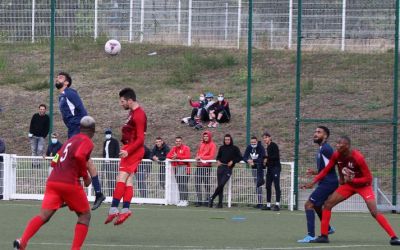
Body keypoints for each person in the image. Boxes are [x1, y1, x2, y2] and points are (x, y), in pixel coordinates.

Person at [13, 116, 97, 250]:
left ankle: (23, 241)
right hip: (69, 183)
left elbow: (57, 157)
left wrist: (56, 163)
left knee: (44, 216)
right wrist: (85, 177)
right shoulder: (86, 141)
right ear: (93, 130)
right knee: (85, 216)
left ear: (80, 128)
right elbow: (80, 156)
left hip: (53, 181)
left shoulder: (70, 140)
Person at [303, 136, 400, 245]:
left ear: (347, 146)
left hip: (364, 186)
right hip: (349, 185)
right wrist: (313, 182)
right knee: (328, 204)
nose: (337, 145)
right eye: (337, 143)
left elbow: (368, 178)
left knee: (374, 211)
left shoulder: (358, 157)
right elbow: (326, 170)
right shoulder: (336, 155)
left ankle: (394, 237)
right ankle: (324, 236)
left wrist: (353, 180)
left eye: (341, 144)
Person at [55, 72, 105, 210]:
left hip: (78, 130)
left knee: (74, 161)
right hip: (73, 130)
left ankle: (91, 193)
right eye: (57, 77)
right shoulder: (62, 96)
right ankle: (98, 193)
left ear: (66, 82)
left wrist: (83, 131)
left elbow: (83, 111)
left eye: (60, 77)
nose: (57, 79)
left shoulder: (70, 93)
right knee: (84, 162)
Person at [105, 87, 147, 226]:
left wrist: (129, 150)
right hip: (130, 149)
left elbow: (140, 139)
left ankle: (113, 208)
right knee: (128, 181)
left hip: (132, 150)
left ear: (130, 100)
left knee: (121, 178)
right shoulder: (133, 112)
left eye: (122, 101)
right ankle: (125, 210)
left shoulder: (139, 115)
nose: (121, 104)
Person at [297, 126, 338, 243]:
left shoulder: (326, 149)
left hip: (328, 183)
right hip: (326, 181)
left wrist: (345, 174)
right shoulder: (321, 149)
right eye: (315, 132)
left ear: (325, 136)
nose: (315, 134)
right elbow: (327, 168)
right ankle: (328, 228)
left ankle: (311, 235)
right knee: (316, 205)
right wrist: (314, 172)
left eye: (319, 132)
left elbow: (337, 162)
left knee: (308, 205)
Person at [208, 134, 242, 208]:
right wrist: (218, 161)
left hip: (228, 169)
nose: (227, 141)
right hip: (220, 168)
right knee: (220, 186)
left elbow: (240, 157)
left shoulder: (235, 148)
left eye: (228, 139)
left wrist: (233, 161)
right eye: (226, 139)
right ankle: (220, 204)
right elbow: (218, 157)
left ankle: (212, 198)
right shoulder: (221, 148)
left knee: (221, 184)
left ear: (231, 140)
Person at [167, 136, 191, 207]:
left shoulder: (186, 148)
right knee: (180, 185)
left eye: (179, 141)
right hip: (177, 169)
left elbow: (187, 157)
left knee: (184, 184)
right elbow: (168, 155)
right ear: (175, 142)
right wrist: (173, 157)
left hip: (185, 168)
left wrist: (178, 156)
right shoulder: (174, 148)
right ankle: (181, 200)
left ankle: (185, 200)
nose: (178, 142)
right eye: (177, 141)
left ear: (181, 141)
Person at [243, 136, 266, 209]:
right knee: (257, 185)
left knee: (260, 184)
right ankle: (259, 202)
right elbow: (244, 157)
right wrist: (248, 161)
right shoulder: (249, 147)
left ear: (257, 141)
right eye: (252, 142)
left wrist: (253, 161)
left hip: (261, 168)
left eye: (254, 142)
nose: (253, 143)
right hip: (254, 169)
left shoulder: (261, 147)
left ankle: (264, 203)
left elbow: (262, 157)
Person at [194, 131, 217, 207]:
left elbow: (211, 156)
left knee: (206, 184)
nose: (205, 138)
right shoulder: (201, 144)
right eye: (204, 136)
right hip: (199, 166)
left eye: (207, 136)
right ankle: (199, 200)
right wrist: (197, 157)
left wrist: (201, 157)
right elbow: (198, 153)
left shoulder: (212, 145)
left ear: (209, 136)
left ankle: (207, 200)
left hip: (207, 167)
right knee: (197, 183)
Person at [262, 132, 282, 211]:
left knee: (276, 185)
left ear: (270, 137)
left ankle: (277, 205)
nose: (265, 139)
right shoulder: (267, 147)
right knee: (267, 186)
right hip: (270, 169)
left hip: (276, 168)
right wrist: (265, 162)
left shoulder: (274, 145)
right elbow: (268, 159)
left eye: (266, 137)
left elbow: (276, 157)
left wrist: (267, 158)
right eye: (264, 138)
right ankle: (268, 205)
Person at [102, 128, 120, 196]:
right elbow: (104, 152)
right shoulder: (105, 142)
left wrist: (114, 161)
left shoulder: (115, 141)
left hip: (113, 163)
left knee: (113, 178)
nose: (107, 135)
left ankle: (114, 194)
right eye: (106, 133)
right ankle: (110, 194)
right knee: (108, 178)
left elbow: (117, 152)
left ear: (111, 134)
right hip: (106, 162)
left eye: (108, 133)